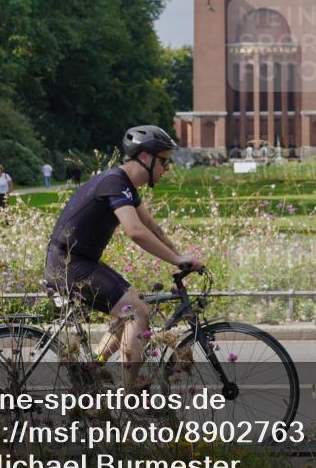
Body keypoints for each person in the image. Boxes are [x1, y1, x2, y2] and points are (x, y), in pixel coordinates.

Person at [44, 125, 203, 390]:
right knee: (136, 312)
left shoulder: (125, 185)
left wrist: (179, 255)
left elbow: (149, 223)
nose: (167, 168)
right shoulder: (115, 183)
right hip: (69, 264)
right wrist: (175, 261)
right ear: (145, 158)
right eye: (164, 161)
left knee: (126, 310)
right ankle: (130, 393)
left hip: (79, 261)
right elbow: (136, 231)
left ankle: (91, 370)